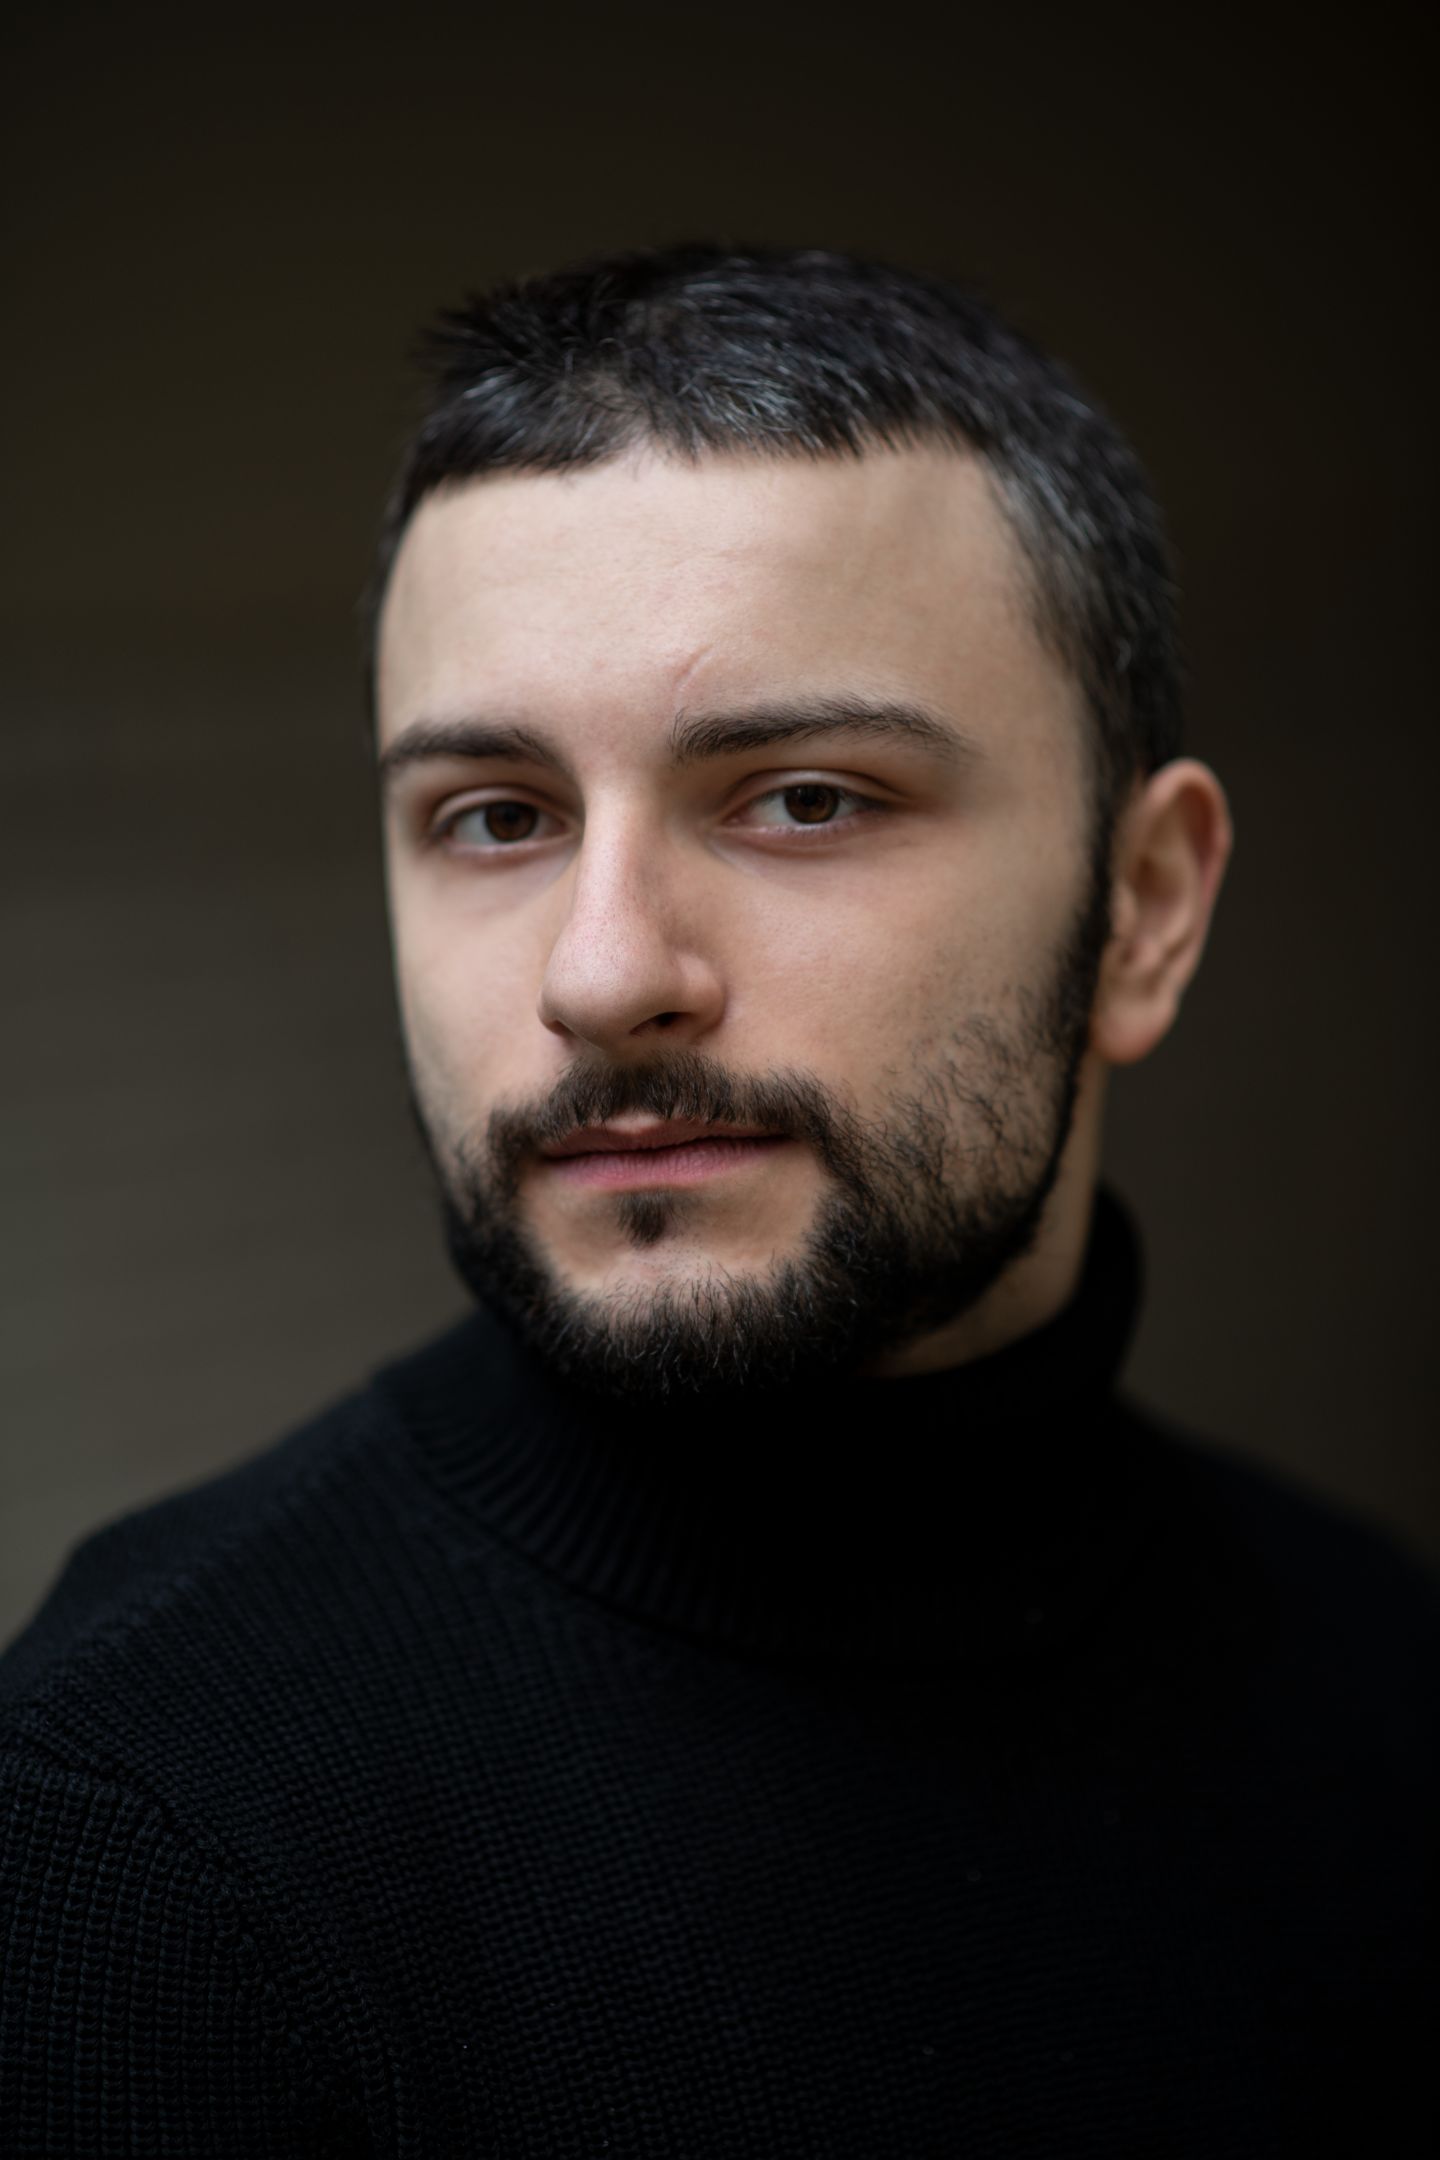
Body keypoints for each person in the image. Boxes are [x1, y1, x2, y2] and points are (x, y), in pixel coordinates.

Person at [1, 244, 1433, 2157]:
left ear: (1146, 909)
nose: (604, 976)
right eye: (496, 817)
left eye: (804, 798)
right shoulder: (130, 1837)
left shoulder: (1387, 1687)